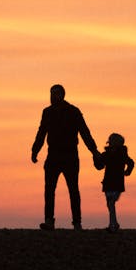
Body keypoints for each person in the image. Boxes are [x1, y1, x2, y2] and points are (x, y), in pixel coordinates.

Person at [31, 84, 99, 230]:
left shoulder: (74, 112)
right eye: (51, 94)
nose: (52, 97)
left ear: (62, 95)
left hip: (70, 155)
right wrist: (35, 150)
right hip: (54, 156)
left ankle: (77, 222)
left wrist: (94, 151)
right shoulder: (47, 112)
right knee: (50, 189)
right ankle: (49, 220)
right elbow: (41, 132)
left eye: (55, 94)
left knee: (73, 189)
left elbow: (85, 133)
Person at [93, 133, 134, 232]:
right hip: (108, 183)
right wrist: (95, 157)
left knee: (111, 203)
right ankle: (114, 224)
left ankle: (113, 225)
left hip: (117, 183)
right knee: (110, 204)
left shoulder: (122, 154)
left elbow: (131, 163)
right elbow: (99, 166)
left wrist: (127, 172)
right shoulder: (106, 154)